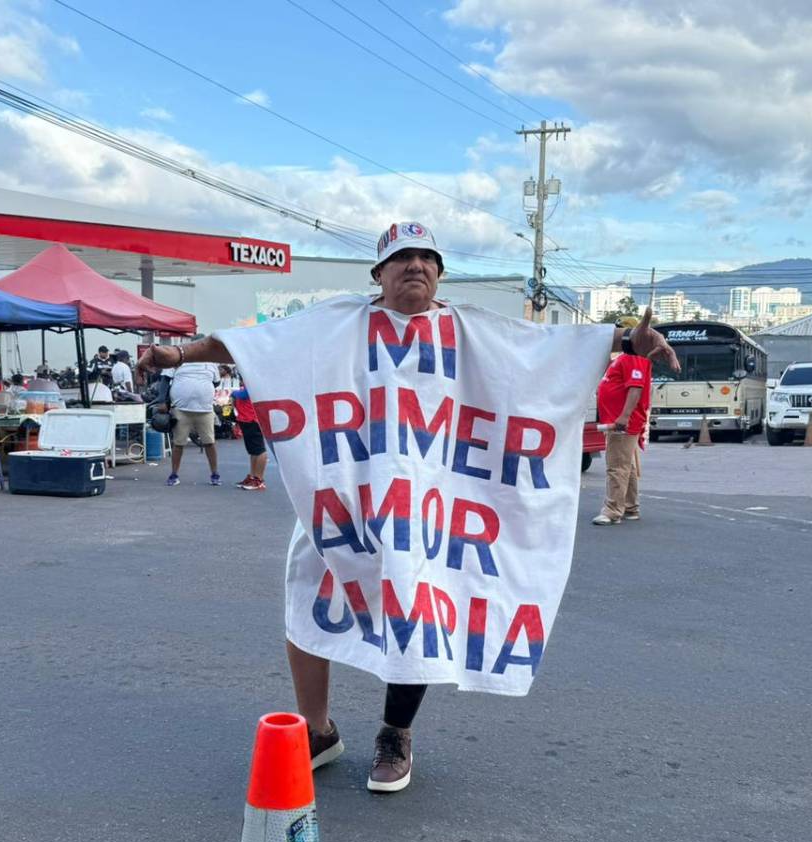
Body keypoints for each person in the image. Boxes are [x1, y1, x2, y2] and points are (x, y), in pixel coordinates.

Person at [137, 222, 679, 793]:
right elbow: (250, 344)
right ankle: (319, 730)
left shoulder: (471, 329)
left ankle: (395, 734)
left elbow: (546, 351)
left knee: (416, 609)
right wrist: (175, 352)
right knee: (306, 596)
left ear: (440, 272)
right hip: (344, 498)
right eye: (401, 258)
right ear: (379, 273)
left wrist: (626, 341)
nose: (415, 266)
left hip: (429, 505)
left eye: (426, 257)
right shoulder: (339, 321)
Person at [592, 331, 653, 526]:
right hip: (619, 421)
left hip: (622, 423)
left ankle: (612, 510)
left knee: (617, 466)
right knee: (626, 465)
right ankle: (629, 506)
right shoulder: (626, 359)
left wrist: (624, 416)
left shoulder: (634, 359)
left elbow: (636, 388)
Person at [147, 356, 220, 487]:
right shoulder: (176, 359)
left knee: (209, 443)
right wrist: (162, 401)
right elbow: (164, 380)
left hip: (205, 410)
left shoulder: (211, 363)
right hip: (181, 409)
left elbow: (216, 382)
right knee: (178, 444)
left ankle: (215, 474)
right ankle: (174, 475)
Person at [231, 386, 267, 490]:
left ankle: (258, 479)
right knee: (253, 450)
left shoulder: (252, 382)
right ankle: (252, 476)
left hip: (252, 419)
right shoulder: (247, 383)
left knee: (259, 449)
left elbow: (243, 395)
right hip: (246, 419)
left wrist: (234, 393)